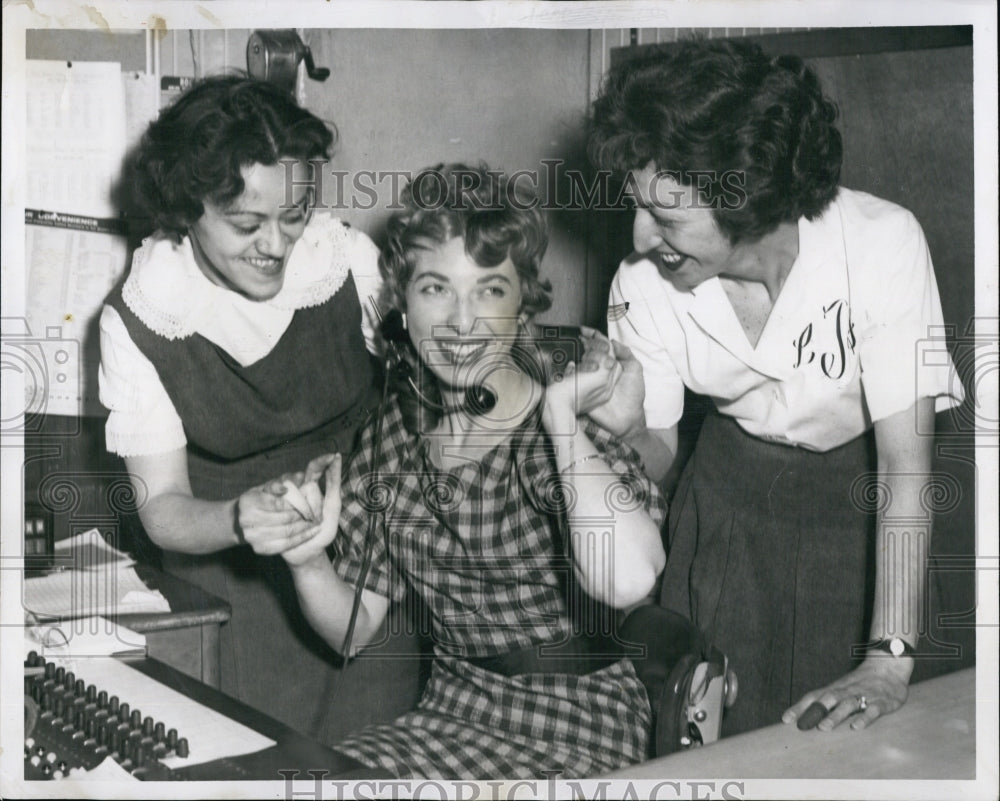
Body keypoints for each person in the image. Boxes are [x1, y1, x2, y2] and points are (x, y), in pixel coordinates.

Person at [587, 39, 964, 736]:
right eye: (638, 207)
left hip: (861, 513)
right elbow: (659, 460)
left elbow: (906, 470)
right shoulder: (641, 284)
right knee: (720, 750)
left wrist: (889, 657)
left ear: (750, 197)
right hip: (728, 513)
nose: (640, 238)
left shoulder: (882, 244)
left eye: (666, 217)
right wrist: (629, 431)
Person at [241, 163, 668, 779]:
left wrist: (560, 417)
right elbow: (352, 630)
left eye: (489, 290)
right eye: (435, 289)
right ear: (403, 305)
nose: (462, 322)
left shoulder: (569, 408)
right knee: (301, 785)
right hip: (451, 710)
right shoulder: (390, 437)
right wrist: (307, 558)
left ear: (523, 302)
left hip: (581, 725)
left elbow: (629, 579)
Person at [98, 75, 424, 743]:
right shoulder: (142, 316)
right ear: (188, 208)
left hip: (364, 562)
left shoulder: (346, 266)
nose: (276, 245)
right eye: (246, 223)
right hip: (230, 578)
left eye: (294, 215)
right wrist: (240, 519)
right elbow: (161, 507)